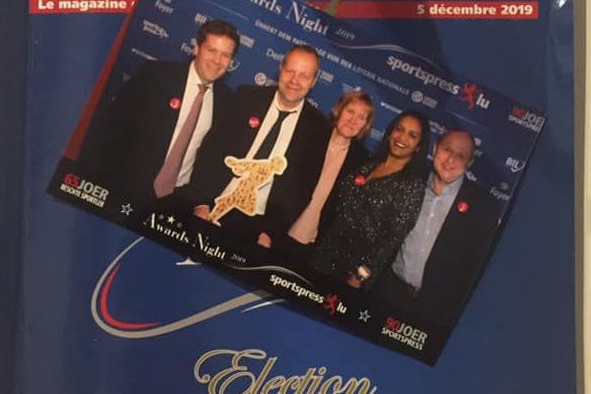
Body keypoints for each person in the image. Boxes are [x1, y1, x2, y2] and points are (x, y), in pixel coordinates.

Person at [77, 19, 239, 207]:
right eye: (211, 50)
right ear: (196, 48)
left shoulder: (227, 101)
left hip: (175, 201)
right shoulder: (156, 75)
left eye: (225, 55)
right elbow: (110, 130)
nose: (217, 61)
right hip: (125, 188)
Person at [191, 45, 332, 246]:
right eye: (290, 71)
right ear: (280, 69)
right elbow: (211, 150)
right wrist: (201, 202)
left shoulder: (318, 128)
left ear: (314, 81)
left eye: (304, 76)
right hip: (213, 205)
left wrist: (270, 233)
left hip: (257, 229)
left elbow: (301, 190)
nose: (294, 80)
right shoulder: (246, 97)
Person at [375, 130, 500, 327]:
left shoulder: (483, 207)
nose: (450, 159)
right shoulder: (410, 180)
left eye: (460, 156)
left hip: (435, 312)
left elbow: (475, 269)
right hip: (388, 294)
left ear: (469, 163)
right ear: (435, 149)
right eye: (447, 150)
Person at [309, 110, 429, 289]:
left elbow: (390, 240)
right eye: (399, 129)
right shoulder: (368, 165)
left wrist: (360, 276)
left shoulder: (412, 186)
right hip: (324, 254)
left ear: (419, 146)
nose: (402, 137)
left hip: (352, 273)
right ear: (390, 132)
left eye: (412, 135)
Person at [270, 91, 374, 261]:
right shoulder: (311, 135)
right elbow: (281, 185)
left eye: (361, 117)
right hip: (279, 230)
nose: (353, 120)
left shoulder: (362, 162)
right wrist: (267, 229)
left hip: (315, 247)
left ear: (365, 125)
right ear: (338, 110)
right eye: (350, 111)